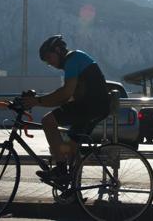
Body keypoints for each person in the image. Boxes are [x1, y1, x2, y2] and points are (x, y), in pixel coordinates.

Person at [22, 35, 110, 183]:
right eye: (46, 61)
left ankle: (61, 170)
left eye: (49, 57)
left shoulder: (72, 59)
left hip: (90, 106)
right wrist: (40, 101)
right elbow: (65, 98)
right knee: (70, 147)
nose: (49, 63)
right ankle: (74, 192)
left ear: (58, 50)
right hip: (96, 106)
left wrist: (36, 101)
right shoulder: (75, 60)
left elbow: (65, 93)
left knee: (48, 121)